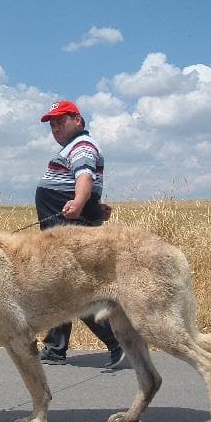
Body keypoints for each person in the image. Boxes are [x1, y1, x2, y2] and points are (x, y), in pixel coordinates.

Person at [35, 100, 126, 369]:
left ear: (78, 120)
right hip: (64, 224)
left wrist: (78, 202)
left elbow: (84, 176)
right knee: (57, 284)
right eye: (52, 123)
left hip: (68, 224)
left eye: (61, 121)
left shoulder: (82, 146)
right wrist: (91, 205)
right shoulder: (74, 147)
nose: (55, 127)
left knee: (73, 288)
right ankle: (55, 347)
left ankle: (119, 342)